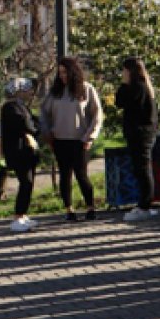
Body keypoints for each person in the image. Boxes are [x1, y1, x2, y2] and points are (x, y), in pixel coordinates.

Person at [41, 57, 103, 222]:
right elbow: (44, 114)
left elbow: (97, 114)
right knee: (65, 176)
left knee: (82, 175)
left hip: (80, 141)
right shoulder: (55, 92)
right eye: (60, 73)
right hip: (60, 140)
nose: (63, 76)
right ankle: (69, 209)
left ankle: (90, 207)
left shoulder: (86, 89)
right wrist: (48, 133)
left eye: (65, 72)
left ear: (73, 71)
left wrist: (89, 136)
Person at [118, 58, 160, 222]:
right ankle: (145, 203)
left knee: (142, 169)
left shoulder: (135, 88)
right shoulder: (145, 87)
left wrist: (123, 84)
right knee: (143, 168)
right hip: (145, 133)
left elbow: (119, 100)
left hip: (140, 134)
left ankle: (145, 205)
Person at [0, 78, 40, 233]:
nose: (31, 93)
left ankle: (23, 214)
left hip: (27, 152)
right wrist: (34, 128)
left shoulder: (22, 106)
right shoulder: (11, 107)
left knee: (28, 183)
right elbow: (26, 125)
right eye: (28, 90)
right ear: (19, 91)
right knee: (26, 182)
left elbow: (34, 122)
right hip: (18, 152)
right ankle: (17, 217)